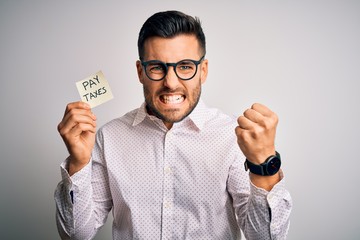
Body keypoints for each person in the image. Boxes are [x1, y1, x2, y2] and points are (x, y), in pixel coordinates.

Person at [55, 10, 292, 240]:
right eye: (157, 67)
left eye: (185, 66)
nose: (171, 82)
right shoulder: (110, 137)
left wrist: (263, 167)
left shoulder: (231, 137)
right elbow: (76, 235)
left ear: (203, 71)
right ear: (140, 72)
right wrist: (78, 163)